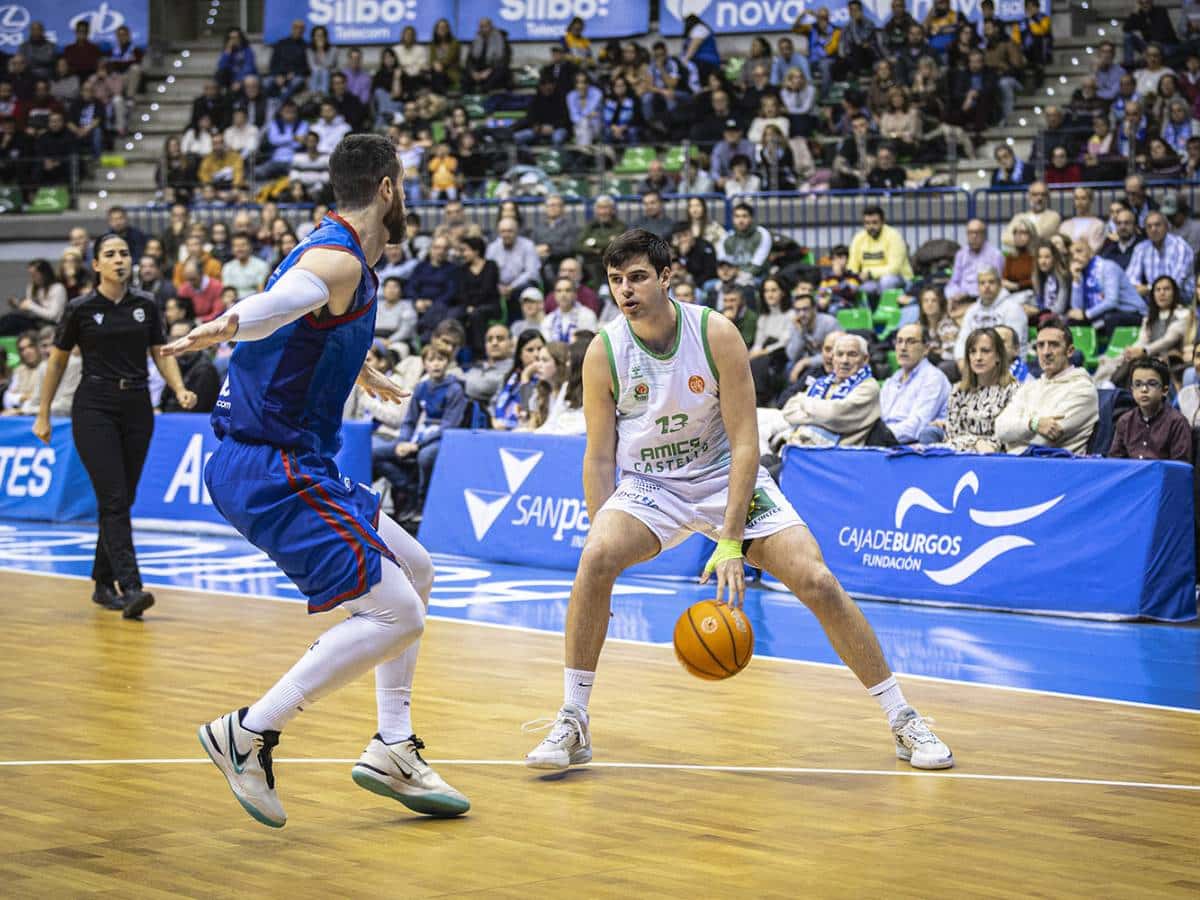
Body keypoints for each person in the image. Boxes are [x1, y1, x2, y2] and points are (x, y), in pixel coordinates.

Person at [523, 230, 951, 772]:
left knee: (816, 580)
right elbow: (599, 457)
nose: (625, 290)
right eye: (615, 281)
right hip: (653, 484)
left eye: (636, 277)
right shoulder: (604, 351)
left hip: (725, 473)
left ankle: (903, 718)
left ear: (665, 277)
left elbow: (747, 443)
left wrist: (729, 542)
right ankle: (573, 720)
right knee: (594, 560)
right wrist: (599, 532)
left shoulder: (714, 333)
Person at [162, 135, 470, 828]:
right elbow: (283, 302)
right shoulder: (335, 260)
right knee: (399, 612)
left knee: (415, 571)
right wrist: (228, 323)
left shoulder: (340, 255)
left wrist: (359, 367)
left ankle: (393, 746)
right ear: (388, 187)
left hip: (294, 460)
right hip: (271, 467)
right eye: (405, 182)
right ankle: (248, 732)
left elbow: (305, 321)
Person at [33, 233, 196, 618]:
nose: (119, 259)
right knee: (114, 499)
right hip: (94, 406)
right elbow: (56, 362)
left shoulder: (147, 305)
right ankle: (132, 586)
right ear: (96, 265)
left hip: (137, 404)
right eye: (110, 254)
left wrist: (179, 387)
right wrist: (42, 413)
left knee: (122, 499)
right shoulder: (80, 308)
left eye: (124, 253)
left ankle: (103, 583)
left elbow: (160, 352)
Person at [994, 318, 1099, 455]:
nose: (1046, 352)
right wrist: (1033, 424)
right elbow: (1000, 429)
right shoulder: (1029, 387)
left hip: (1058, 470)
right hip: (1020, 464)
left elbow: (1042, 442)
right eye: (1040, 345)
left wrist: (1013, 439)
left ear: (1070, 351)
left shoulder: (1083, 390)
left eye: (1054, 345)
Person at [932, 327, 1019, 452]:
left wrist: (977, 444)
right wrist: (976, 441)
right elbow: (952, 436)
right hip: (958, 454)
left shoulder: (1013, 390)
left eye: (985, 351)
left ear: (999, 356)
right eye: (972, 352)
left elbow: (1004, 438)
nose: (978, 357)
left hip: (994, 458)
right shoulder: (958, 390)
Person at [1109, 356, 1192, 460]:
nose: (1144, 389)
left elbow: (1181, 467)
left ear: (1165, 390)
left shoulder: (1177, 422)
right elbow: (1115, 461)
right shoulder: (1124, 421)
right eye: (1138, 384)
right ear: (1132, 390)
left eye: (1152, 384)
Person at [880, 324, 951, 444]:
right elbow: (881, 418)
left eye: (911, 342)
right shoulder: (891, 381)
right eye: (899, 341)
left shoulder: (933, 378)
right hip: (886, 441)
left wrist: (880, 437)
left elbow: (917, 425)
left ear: (926, 348)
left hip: (913, 445)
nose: (903, 347)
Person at [1068, 240, 1148, 340]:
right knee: (1072, 321)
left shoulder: (1107, 267)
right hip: (1107, 313)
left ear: (1091, 252)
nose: (1075, 257)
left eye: (1079, 251)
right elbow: (1077, 310)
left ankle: (1110, 353)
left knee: (1107, 320)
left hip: (1133, 312)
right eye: (1072, 254)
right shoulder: (1082, 272)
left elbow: (1111, 301)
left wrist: (1085, 314)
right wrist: (1076, 280)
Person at [953, 268, 1027, 368]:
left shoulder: (1013, 308)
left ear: (1000, 284)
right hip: (978, 363)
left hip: (1008, 365)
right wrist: (961, 360)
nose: (986, 286)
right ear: (977, 287)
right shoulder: (972, 310)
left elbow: (1010, 346)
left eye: (991, 282)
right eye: (982, 283)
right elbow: (963, 339)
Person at [1126, 211, 1196, 301]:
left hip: (1181, 301)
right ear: (1146, 230)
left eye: (1157, 225)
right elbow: (1130, 282)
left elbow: (1175, 285)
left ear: (1167, 227)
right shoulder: (1141, 248)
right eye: (1149, 226)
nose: (1153, 229)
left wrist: (1147, 288)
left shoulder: (1180, 246)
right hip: (1153, 302)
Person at [848, 205, 912, 296]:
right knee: (853, 286)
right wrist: (854, 279)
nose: (871, 226)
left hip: (899, 279)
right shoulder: (858, 238)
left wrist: (870, 273)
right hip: (871, 280)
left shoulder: (894, 236)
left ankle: (884, 310)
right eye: (867, 223)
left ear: (882, 222)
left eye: (874, 223)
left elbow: (894, 269)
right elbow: (852, 266)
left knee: (886, 281)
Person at [945, 220, 1005, 305]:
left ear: (984, 235)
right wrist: (954, 294)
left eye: (977, 233)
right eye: (970, 233)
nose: (974, 236)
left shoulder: (995, 255)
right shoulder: (961, 254)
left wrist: (968, 293)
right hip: (962, 300)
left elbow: (997, 284)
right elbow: (954, 281)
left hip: (986, 300)